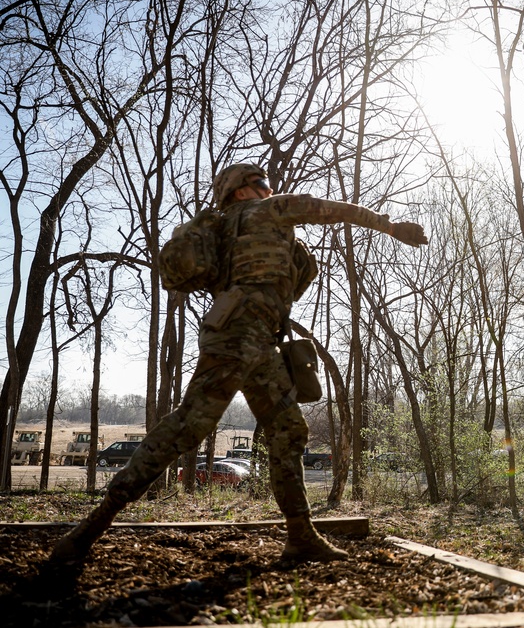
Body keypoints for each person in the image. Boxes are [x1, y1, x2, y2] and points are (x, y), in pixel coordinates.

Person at [49, 163, 427, 565]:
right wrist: (390, 227)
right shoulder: (267, 211)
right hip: (239, 335)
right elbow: (328, 209)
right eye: (261, 183)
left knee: (287, 429)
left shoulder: (223, 229)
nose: (269, 188)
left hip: (256, 339)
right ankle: (87, 531)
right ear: (241, 191)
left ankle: (301, 536)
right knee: (190, 424)